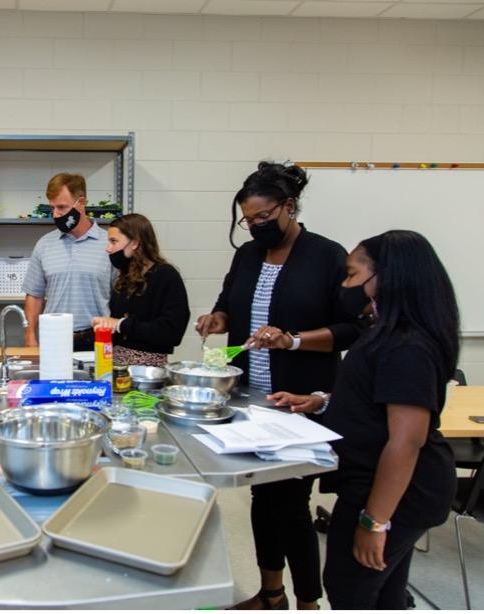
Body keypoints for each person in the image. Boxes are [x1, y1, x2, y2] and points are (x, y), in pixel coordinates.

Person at [195, 162, 361, 610]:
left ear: (289, 207)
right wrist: (217, 319)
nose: (255, 227)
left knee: (290, 504)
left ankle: (307, 601)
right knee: (261, 497)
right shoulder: (247, 256)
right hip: (251, 399)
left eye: (264, 218)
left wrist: (294, 340)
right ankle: (271, 592)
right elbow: (228, 304)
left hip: (302, 401)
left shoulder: (327, 255)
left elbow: (350, 328)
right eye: (248, 221)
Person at [270, 231, 459, 609]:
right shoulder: (386, 333)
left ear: (386, 278)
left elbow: (406, 440)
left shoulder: (406, 345)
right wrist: (320, 401)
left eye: (353, 275)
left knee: (349, 587)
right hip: (376, 483)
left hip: (397, 493)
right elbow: (375, 399)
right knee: (384, 592)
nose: (345, 285)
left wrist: (375, 522)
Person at [22, 172, 112, 352]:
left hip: (98, 339)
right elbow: (34, 294)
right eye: (52, 208)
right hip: (53, 337)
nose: (56, 214)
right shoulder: (44, 244)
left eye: (62, 207)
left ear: (81, 203)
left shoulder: (109, 244)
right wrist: (30, 335)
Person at [90, 213, 190, 366]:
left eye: (114, 241)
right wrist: (106, 327)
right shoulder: (125, 277)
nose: (108, 249)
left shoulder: (165, 275)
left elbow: (172, 332)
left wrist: (120, 324)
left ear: (135, 243)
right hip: (116, 362)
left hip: (147, 368)